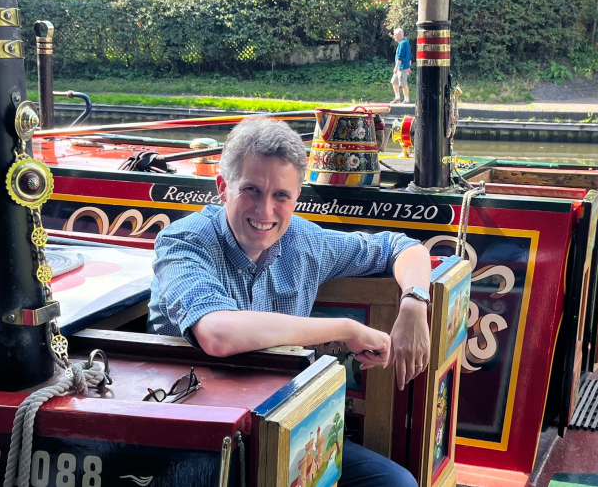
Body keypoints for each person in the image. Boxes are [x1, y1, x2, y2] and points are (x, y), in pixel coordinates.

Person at [147, 118, 431, 487]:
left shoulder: (306, 241)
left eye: (281, 195)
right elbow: (218, 332)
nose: (266, 211)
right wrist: (345, 330)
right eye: (251, 190)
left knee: (397, 484)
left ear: (296, 197)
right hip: (193, 442)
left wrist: (413, 303)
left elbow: (403, 247)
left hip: (280, 426)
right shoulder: (184, 241)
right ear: (223, 188)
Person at [391, 28, 412, 104]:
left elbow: (400, 57)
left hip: (402, 67)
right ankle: (397, 98)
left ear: (400, 35)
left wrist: (395, 68)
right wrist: (409, 67)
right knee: (394, 81)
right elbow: (409, 56)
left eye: (395, 35)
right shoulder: (405, 42)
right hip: (402, 67)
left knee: (403, 84)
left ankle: (406, 100)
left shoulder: (403, 43)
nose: (394, 37)